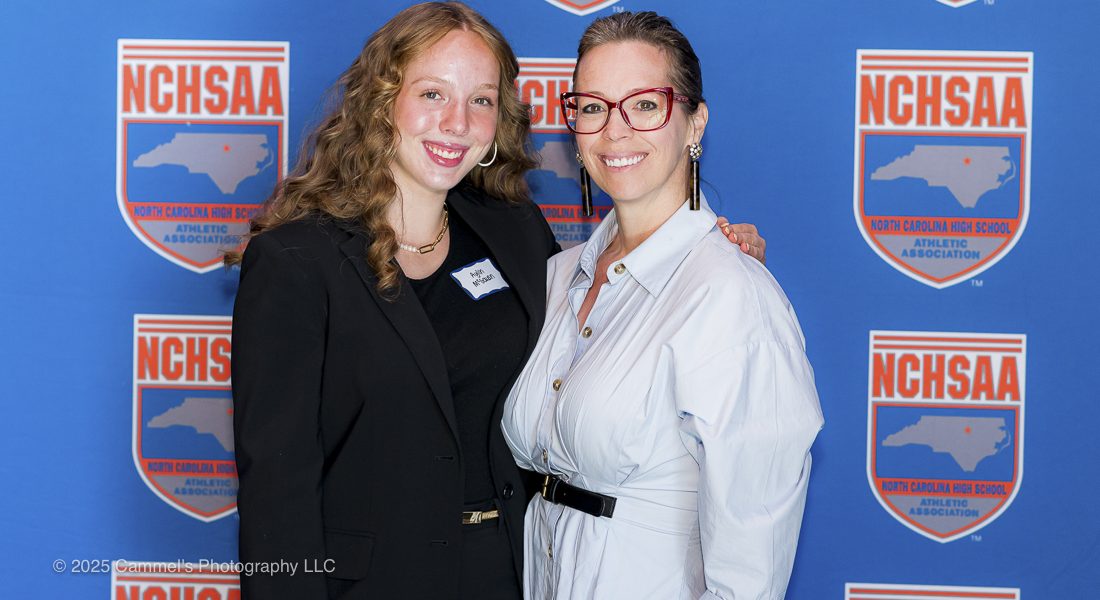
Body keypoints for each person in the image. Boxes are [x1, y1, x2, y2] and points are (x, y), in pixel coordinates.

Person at [229, 3, 765, 599]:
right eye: (433, 94)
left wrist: (706, 252)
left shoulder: (515, 234)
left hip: (511, 575)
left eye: (480, 100)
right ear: (382, 102)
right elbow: (277, 496)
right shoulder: (296, 261)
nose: (456, 122)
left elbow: (608, 308)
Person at [502, 11, 824, 600]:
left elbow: (750, 570)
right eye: (593, 107)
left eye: (645, 104)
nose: (615, 131)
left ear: (694, 122)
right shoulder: (555, 277)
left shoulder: (732, 297)